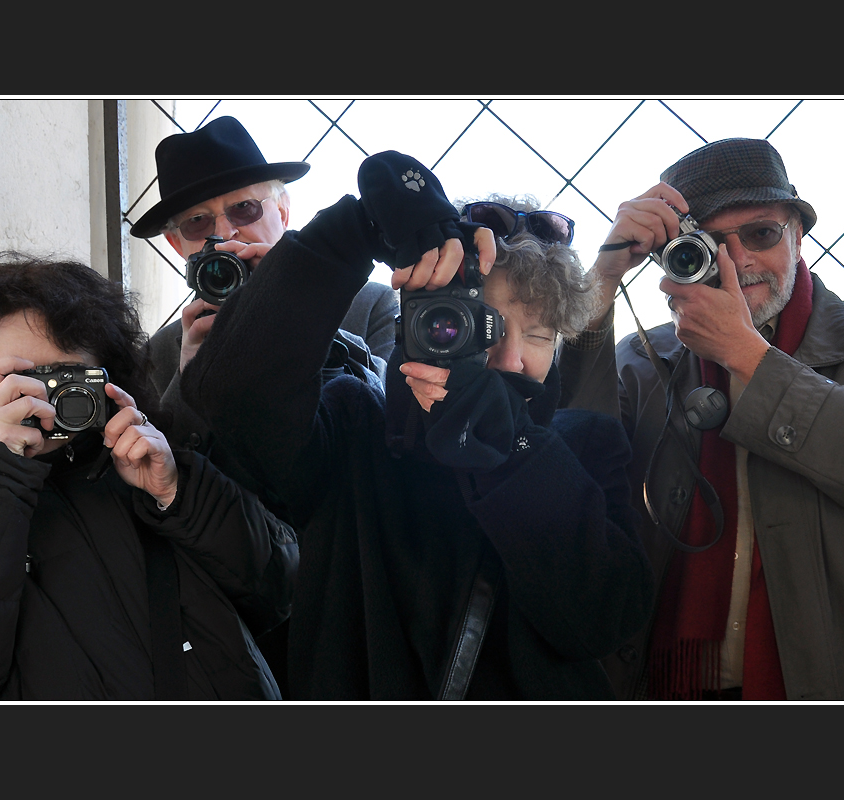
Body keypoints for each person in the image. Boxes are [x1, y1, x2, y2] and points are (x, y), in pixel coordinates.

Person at [181, 151, 654, 700]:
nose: (513, 359)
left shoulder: (585, 444)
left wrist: (513, 451)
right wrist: (350, 235)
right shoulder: (354, 427)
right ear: (427, 326)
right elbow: (235, 395)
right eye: (487, 328)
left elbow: (606, 618)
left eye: (542, 336)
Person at [0, 253, 298, 701]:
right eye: (15, 377)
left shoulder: (146, 466)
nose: (40, 399)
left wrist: (178, 494)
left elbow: (281, 589)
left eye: (65, 377)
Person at [557, 137, 844, 701]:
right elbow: (570, 471)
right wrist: (600, 280)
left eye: (761, 234)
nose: (738, 260)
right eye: (706, 244)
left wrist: (748, 357)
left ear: (799, 236)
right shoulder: (640, 360)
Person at [130, 115, 399, 459]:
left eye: (244, 209)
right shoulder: (161, 354)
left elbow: (391, 420)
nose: (225, 233)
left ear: (283, 213)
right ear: (175, 243)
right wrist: (191, 379)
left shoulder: (368, 305)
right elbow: (160, 476)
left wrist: (297, 306)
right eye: (198, 222)